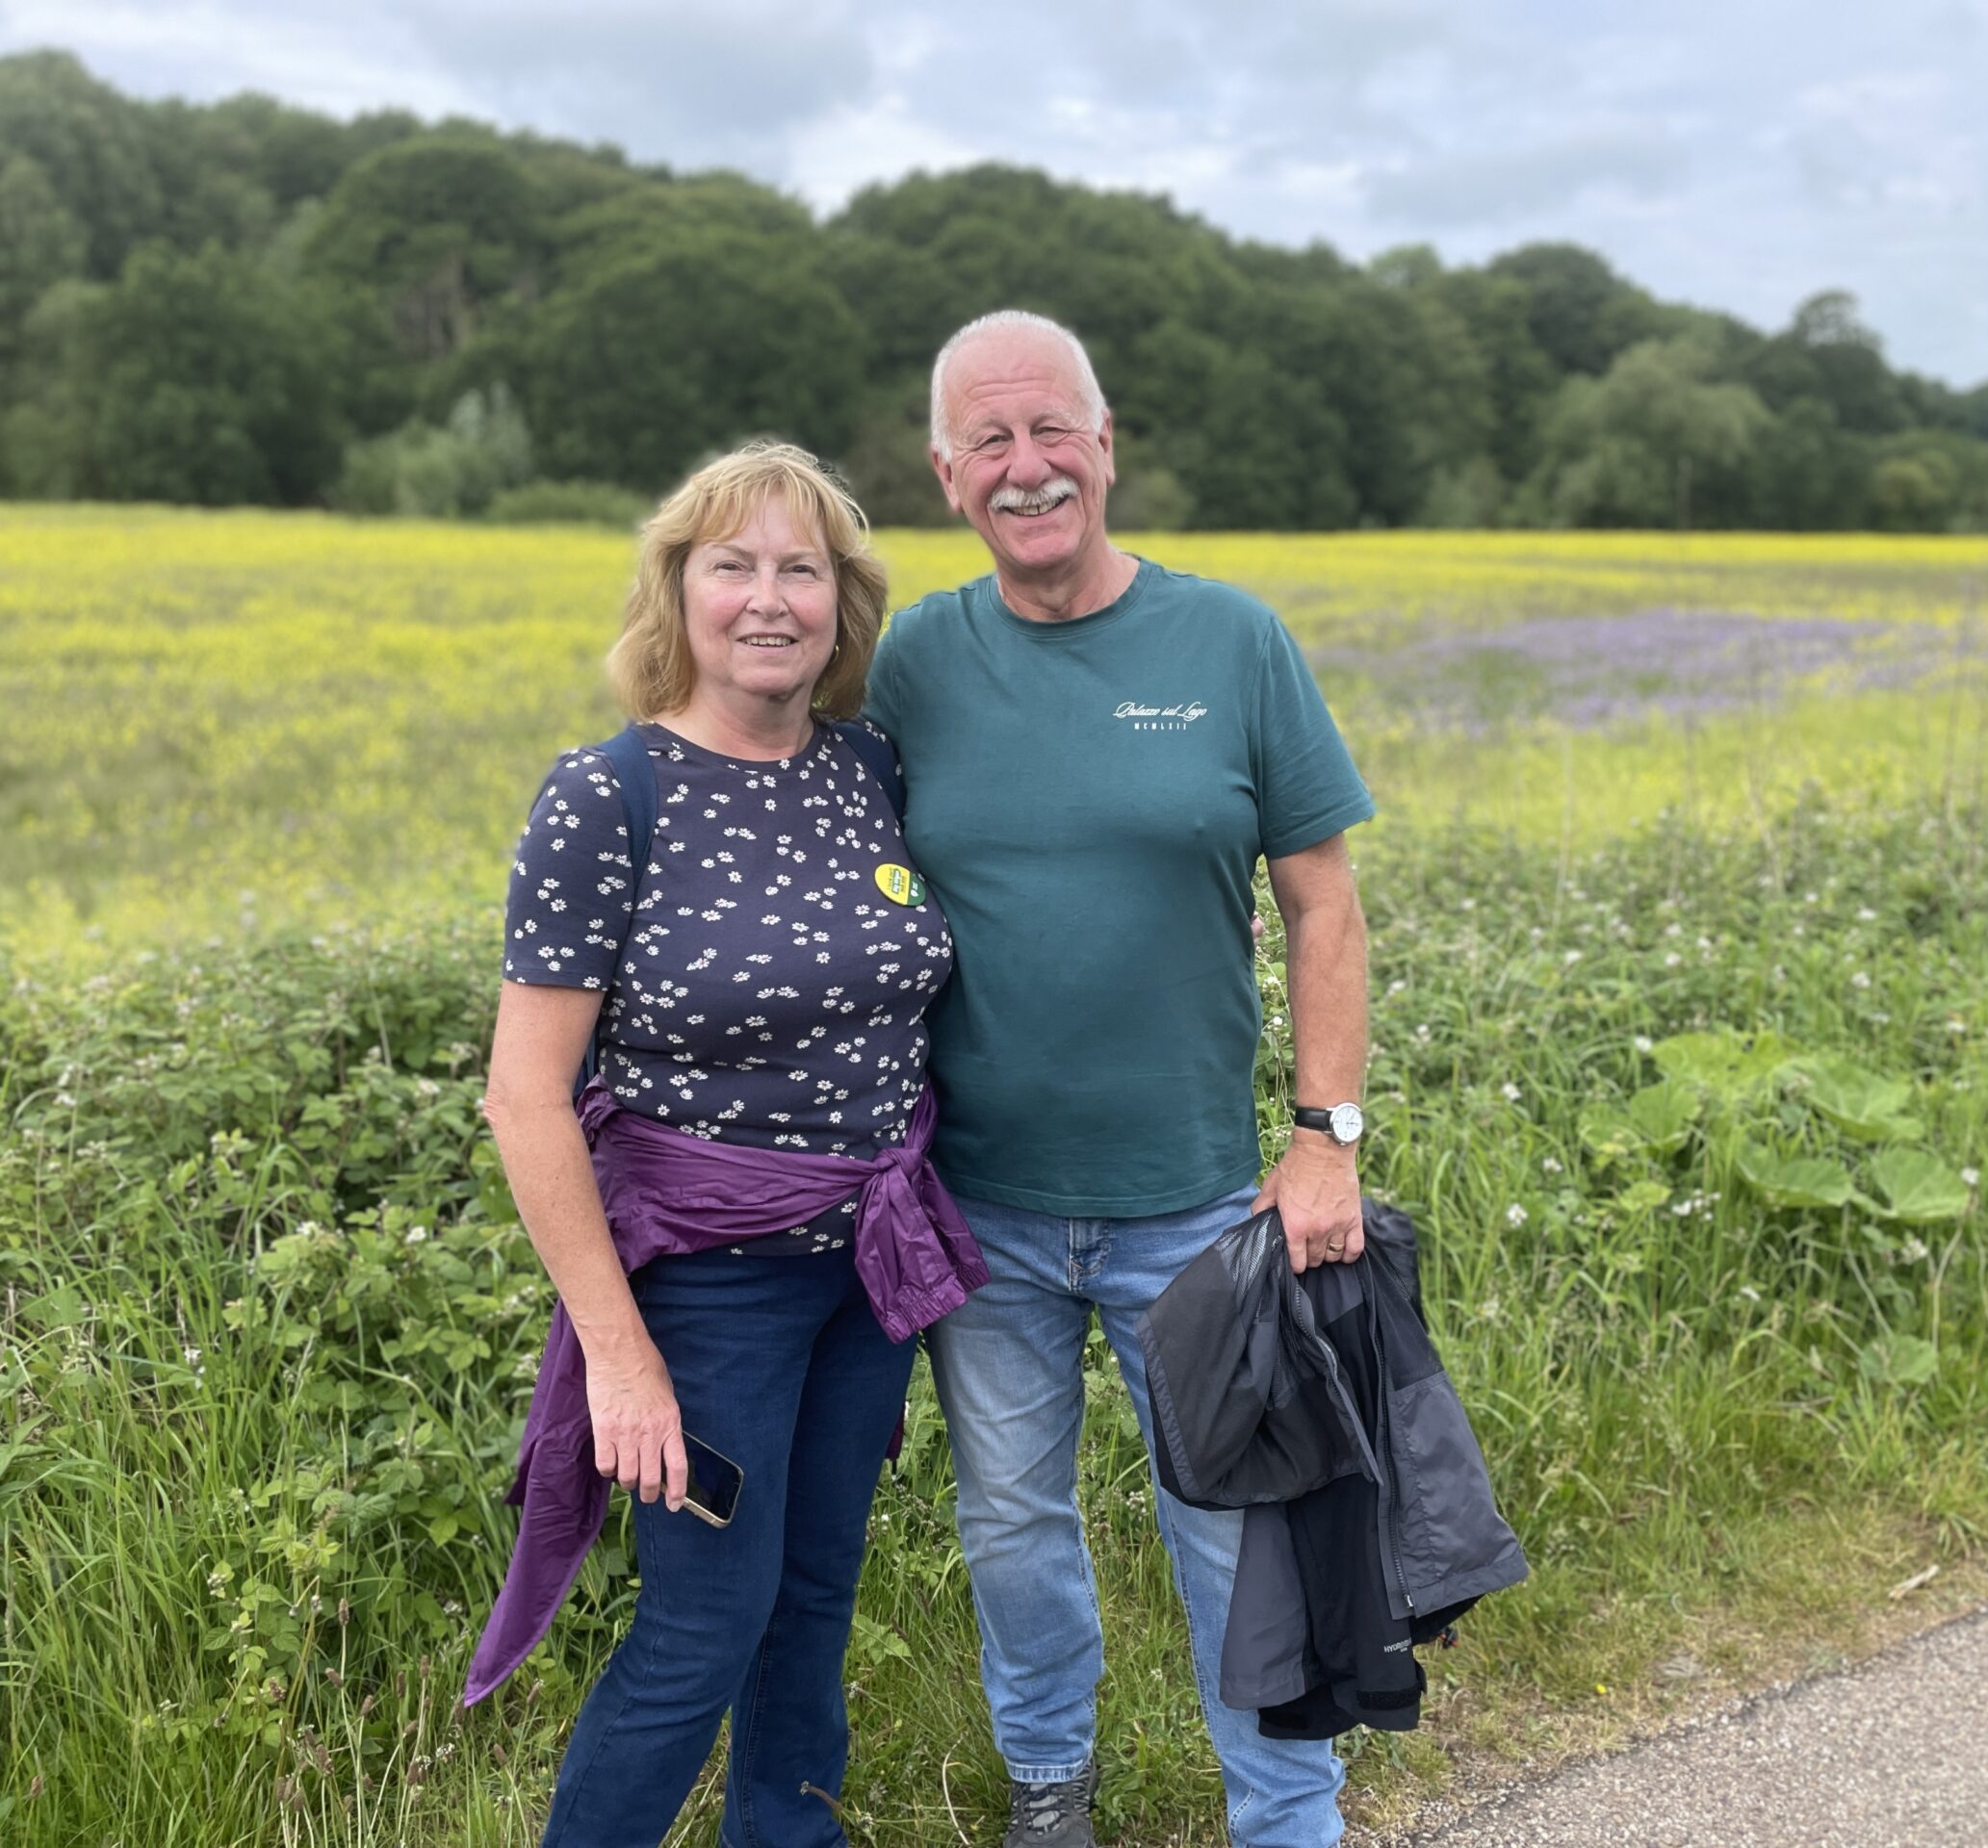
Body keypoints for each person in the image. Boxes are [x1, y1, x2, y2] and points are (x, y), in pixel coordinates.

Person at [861, 311, 1376, 1848]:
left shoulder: (1234, 643)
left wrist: (1325, 1137)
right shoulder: (914, 664)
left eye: (1053, 432)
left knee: (1237, 1531)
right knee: (1013, 1529)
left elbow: (1324, 904)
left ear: (1106, 444)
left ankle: (1286, 1817)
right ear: (948, 475)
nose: (1029, 470)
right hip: (984, 1211)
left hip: (1200, 1204)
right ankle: (1048, 1793)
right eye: (991, 444)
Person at [464, 441, 982, 1848]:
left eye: (800, 569)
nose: (769, 599)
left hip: (866, 1274)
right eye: (732, 566)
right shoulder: (606, 796)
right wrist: (622, 1354)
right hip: (708, 1292)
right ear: (677, 592)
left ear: (841, 603)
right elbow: (526, 1097)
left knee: (812, 1603)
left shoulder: (866, 770)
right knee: (703, 1628)